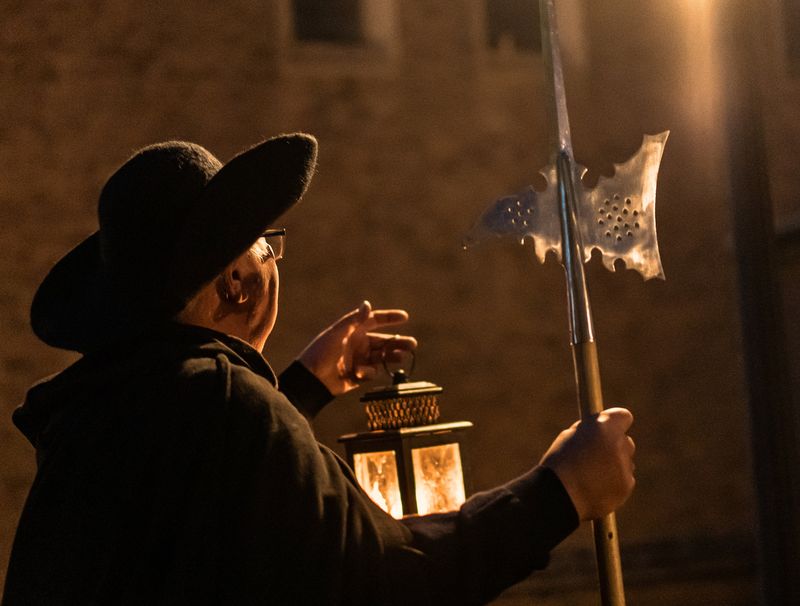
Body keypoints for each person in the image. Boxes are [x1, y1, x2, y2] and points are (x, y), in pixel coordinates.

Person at [2, 133, 635, 606]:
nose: (274, 259)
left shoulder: (103, 414)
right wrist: (563, 491)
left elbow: (218, 502)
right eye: (267, 246)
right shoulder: (225, 404)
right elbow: (386, 580)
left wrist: (301, 388)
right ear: (237, 282)